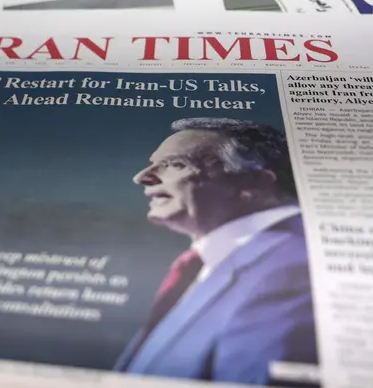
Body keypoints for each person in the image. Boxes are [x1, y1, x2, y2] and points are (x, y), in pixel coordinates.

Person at [115, 117, 317, 386]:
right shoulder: (207, 263)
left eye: (176, 164)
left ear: (252, 182)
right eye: (153, 163)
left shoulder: (292, 266)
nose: (142, 177)